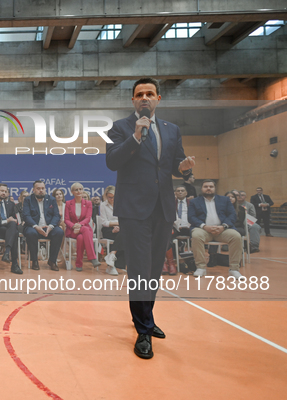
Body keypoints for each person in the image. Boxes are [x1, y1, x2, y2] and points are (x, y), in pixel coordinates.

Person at [106, 77, 195, 359]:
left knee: (154, 269)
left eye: (150, 94)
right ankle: (143, 330)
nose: (145, 98)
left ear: (159, 98)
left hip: (163, 208)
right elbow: (112, 162)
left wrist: (184, 169)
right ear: (133, 100)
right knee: (140, 270)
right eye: (139, 94)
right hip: (134, 209)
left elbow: (177, 164)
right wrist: (135, 136)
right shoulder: (120, 127)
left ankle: (147, 317)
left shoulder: (172, 129)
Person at [188, 180, 242, 278]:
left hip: (222, 230)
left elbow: (232, 215)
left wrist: (223, 226)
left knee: (236, 236)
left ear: (214, 188)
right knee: (196, 235)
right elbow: (191, 217)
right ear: (202, 188)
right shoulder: (194, 201)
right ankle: (201, 268)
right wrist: (204, 226)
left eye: (211, 186)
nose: (208, 188)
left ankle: (234, 269)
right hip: (203, 230)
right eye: (206, 186)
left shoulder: (225, 200)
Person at [22, 180, 64, 271]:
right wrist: (36, 227)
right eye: (38, 188)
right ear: (33, 190)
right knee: (31, 233)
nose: (41, 190)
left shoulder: (51, 199)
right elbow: (26, 216)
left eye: (42, 188)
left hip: (48, 227)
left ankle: (52, 261)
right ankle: (34, 260)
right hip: (33, 227)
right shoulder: (28, 200)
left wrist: (51, 227)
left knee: (59, 232)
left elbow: (56, 215)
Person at [64, 182, 101, 271]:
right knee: (85, 230)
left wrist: (79, 225)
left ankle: (79, 263)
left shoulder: (88, 203)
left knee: (81, 238)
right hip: (73, 230)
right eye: (76, 190)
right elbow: (66, 220)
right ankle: (92, 257)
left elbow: (88, 218)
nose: (79, 191)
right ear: (72, 192)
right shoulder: (68, 203)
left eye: (80, 189)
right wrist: (74, 226)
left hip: (83, 229)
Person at [0, 183, 22, 274]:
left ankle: (7, 253)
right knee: (13, 233)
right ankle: (14, 264)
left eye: (5, 191)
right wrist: (6, 221)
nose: (4, 193)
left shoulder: (10, 204)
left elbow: (15, 219)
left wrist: (12, 221)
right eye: (2, 191)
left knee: (13, 228)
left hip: (8, 229)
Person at [99, 186, 125, 276]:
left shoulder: (121, 204)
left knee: (125, 234)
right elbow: (104, 222)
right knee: (124, 235)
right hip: (108, 229)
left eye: (114, 197)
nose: (112, 199)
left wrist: (120, 226)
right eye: (109, 197)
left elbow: (124, 219)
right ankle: (114, 261)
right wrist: (116, 224)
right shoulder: (103, 205)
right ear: (106, 196)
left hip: (121, 228)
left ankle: (111, 256)